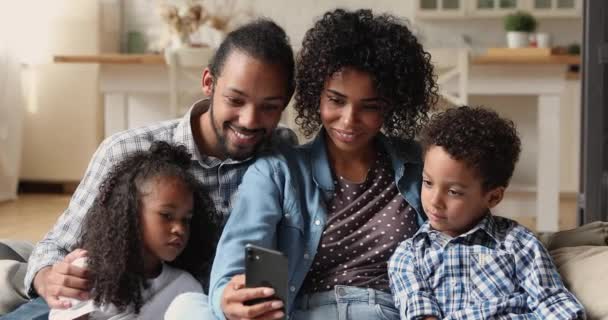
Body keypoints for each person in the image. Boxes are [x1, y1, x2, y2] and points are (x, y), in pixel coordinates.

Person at [1, 18, 295, 320]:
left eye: (270, 107)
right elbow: (57, 245)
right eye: (235, 100)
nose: (249, 120)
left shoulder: (283, 152)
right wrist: (47, 277)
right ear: (208, 83)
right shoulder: (126, 150)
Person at [200, 8, 438, 320]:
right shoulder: (278, 172)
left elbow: (466, 239)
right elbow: (231, 270)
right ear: (316, 95)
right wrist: (225, 301)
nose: (349, 121)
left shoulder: (420, 166)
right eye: (336, 101)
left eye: (370, 107)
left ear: (392, 104)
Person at [387, 106, 585, 319]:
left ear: (493, 197)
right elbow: (420, 313)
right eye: (427, 182)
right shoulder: (409, 256)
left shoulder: (519, 244)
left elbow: (555, 305)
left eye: (453, 192)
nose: (434, 201)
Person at [48, 141, 219, 319]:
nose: (179, 229)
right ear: (132, 212)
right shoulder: (86, 273)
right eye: (167, 215)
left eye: (186, 220)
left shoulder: (186, 288)